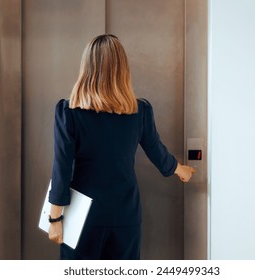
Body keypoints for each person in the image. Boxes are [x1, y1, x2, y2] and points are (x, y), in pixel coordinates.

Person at [48, 34, 196, 260]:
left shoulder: (69, 113)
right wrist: (180, 169)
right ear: (122, 69)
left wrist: (55, 218)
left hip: (82, 217)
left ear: (87, 67)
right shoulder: (139, 111)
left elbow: (62, 168)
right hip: (125, 216)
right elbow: (157, 153)